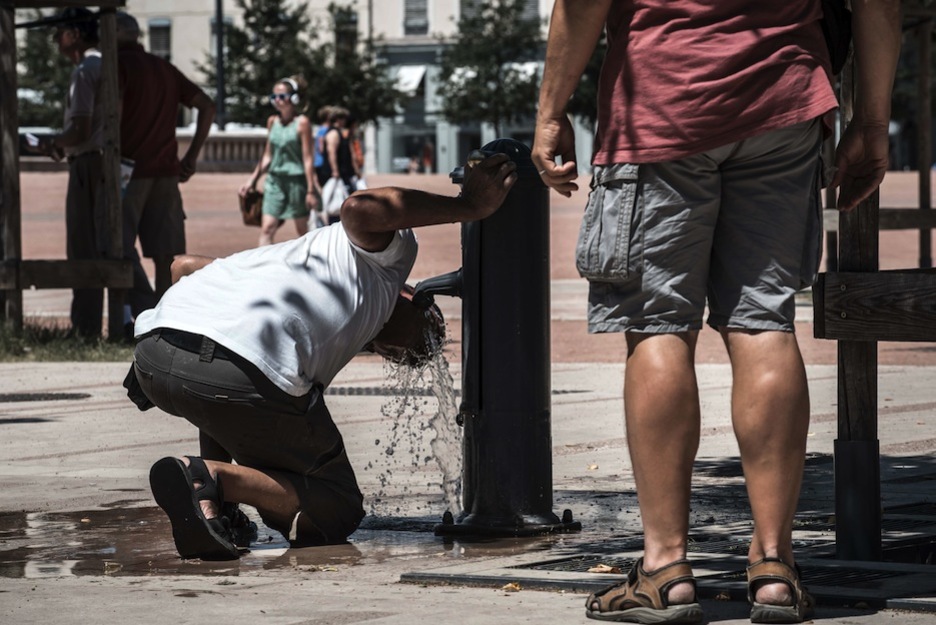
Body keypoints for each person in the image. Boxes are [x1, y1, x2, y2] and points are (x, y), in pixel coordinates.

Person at [532, 1, 900, 623]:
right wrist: (874, 116)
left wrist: (550, 110)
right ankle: (775, 569)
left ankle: (665, 569)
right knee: (764, 323)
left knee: (657, 327)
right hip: (784, 97)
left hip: (660, 101)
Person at [127, 153, 517, 560]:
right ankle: (209, 478)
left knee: (238, 402)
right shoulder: (388, 262)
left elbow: (182, 268)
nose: (407, 352)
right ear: (415, 299)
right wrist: (469, 207)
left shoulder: (311, 279)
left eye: (403, 357)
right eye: (427, 335)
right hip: (225, 368)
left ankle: (213, 502)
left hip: (154, 356)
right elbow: (359, 208)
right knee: (338, 507)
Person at [115, 12, 216, 312]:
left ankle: (143, 306)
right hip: (166, 172)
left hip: (128, 170)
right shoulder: (163, 67)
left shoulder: (118, 65)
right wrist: (192, 156)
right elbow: (207, 105)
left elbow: (114, 115)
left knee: (117, 244)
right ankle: (166, 315)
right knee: (167, 254)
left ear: (116, 32)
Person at [31, 8, 106, 338]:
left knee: (83, 246)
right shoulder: (104, 63)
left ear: (74, 34)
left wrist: (53, 143)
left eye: (59, 33)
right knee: (104, 243)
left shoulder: (85, 69)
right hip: (101, 160)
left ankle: (85, 327)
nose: (56, 40)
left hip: (88, 163)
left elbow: (80, 128)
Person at [239, 77, 318, 246]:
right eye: (274, 97)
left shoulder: (302, 123)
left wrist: (311, 190)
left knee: (302, 230)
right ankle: (262, 267)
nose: (277, 101)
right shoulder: (272, 121)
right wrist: (252, 180)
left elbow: (308, 158)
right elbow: (267, 155)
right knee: (267, 227)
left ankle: (311, 264)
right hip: (275, 181)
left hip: (296, 182)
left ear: (294, 98)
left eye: (282, 96)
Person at [317, 107, 357, 223]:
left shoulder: (338, 133)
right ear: (339, 119)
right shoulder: (333, 133)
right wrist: (335, 171)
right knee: (335, 202)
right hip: (334, 174)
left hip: (341, 173)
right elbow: (331, 152)